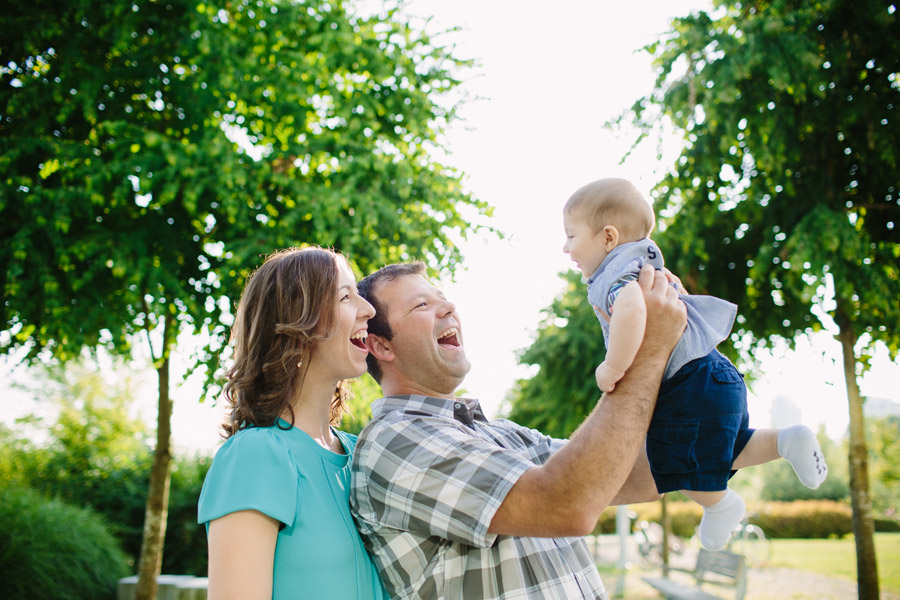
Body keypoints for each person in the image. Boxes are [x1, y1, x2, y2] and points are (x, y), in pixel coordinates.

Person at [351, 259, 686, 600]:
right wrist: (647, 354)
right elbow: (566, 503)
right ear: (382, 346)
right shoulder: (394, 440)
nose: (449, 307)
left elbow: (644, 473)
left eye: (442, 297)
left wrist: (685, 355)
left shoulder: (501, 434)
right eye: (421, 304)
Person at [562, 177, 828, 550]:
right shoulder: (646, 263)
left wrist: (613, 366)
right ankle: (787, 440)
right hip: (716, 373)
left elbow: (631, 309)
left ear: (608, 237)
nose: (565, 247)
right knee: (731, 448)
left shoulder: (615, 276)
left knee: (674, 460)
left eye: (571, 237)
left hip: (685, 384)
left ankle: (721, 505)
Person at [197, 247, 389, 600]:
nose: (369, 310)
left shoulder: (362, 454)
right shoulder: (255, 456)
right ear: (298, 324)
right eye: (346, 297)